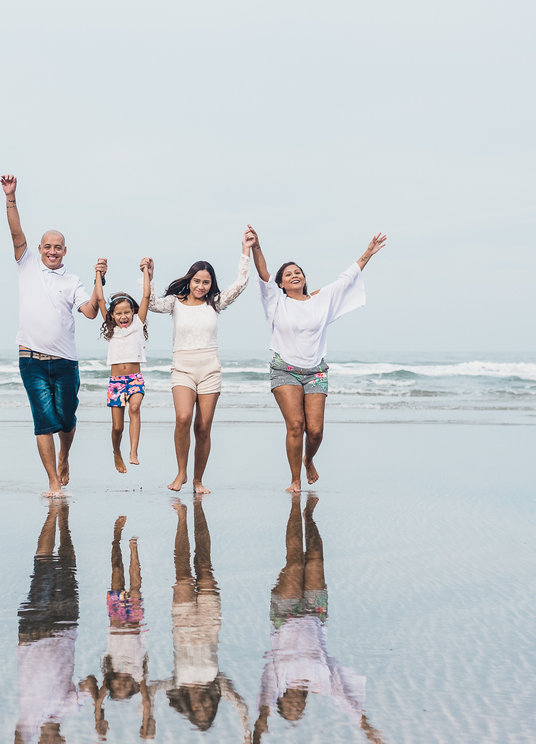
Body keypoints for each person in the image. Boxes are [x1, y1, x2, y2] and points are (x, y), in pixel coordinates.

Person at [250, 227, 387, 492]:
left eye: (297, 271)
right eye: (288, 274)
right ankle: (295, 480)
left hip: (316, 372)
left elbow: (346, 279)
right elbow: (263, 272)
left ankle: (308, 459)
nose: (294, 275)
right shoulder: (275, 301)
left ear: (304, 277)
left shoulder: (321, 300)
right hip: (284, 370)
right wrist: (257, 246)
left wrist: (368, 253)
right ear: (280, 283)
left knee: (315, 431)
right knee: (295, 426)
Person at [253, 494, 385, 744]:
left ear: (282, 700)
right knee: (314, 559)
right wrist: (367, 730)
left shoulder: (277, 679)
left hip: (285, 615)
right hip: (316, 613)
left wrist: (259, 729)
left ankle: (294, 506)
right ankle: (309, 517)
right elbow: (345, 700)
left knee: (294, 564)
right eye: (299, 710)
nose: (296, 705)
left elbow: (263, 702)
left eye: (290, 707)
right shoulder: (321, 683)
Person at [2, 174, 102, 497]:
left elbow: (90, 312)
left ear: (65, 251)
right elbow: (17, 232)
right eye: (48, 246)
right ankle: (53, 483)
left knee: (67, 420)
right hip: (30, 358)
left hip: (65, 362)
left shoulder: (73, 281)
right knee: (44, 420)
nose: (52, 251)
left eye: (58, 247)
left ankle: (64, 455)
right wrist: (11, 197)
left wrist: (100, 279)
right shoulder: (27, 264)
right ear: (40, 249)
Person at [145, 228, 256, 493]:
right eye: (196, 281)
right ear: (190, 280)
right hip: (182, 367)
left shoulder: (215, 302)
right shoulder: (175, 302)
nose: (200, 286)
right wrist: (149, 276)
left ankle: (198, 480)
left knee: (203, 427)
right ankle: (181, 473)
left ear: (211, 284)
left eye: (205, 282)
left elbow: (240, 284)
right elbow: (150, 304)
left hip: (209, 369)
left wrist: (246, 250)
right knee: (183, 418)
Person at [145, 500, 251, 740]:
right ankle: (200, 512)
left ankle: (182, 518)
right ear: (214, 707)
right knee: (205, 565)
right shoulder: (218, 684)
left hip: (183, 625)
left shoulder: (176, 684)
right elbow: (241, 705)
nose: (203, 706)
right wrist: (246, 733)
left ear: (189, 708)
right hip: (210, 621)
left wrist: (149, 719)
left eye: (198, 711)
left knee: (182, 571)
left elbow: (149, 691)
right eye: (208, 710)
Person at [15, 501, 87, 744]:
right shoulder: (71, 709)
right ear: (64, 742)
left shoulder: (28, 725)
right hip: (66, 628)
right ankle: (63, 518)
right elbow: (91, 681)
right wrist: (96, 706)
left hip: (34, 633)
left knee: (43, 566)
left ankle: (53, 511)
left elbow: (18, 739)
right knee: (67, 567)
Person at [80, 516, 157, 740]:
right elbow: (145, 699)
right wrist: (146, 722)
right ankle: (134, 549)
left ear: (111, 683)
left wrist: (98, 718)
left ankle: (116, 540)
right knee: (135, 586)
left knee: (115, 573)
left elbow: (100, 697)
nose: (122, 681)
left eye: (117, 685)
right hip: (133, 622)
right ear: (132, 684)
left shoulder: (109, 673)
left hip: (115, 621)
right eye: (126, 685)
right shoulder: (137, 673)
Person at [91, 261, 151, 473]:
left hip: (135, 378)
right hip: (116, 382)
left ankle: (133, 451)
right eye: (118, 313)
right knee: (117, 427)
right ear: (112, 315)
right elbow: (99, 298)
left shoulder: (137, 323)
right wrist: (98, 273)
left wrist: (144, 270)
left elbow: (146, 295)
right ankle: (116, 451)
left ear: (133, 312)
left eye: (127, 312)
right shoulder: (112, 327)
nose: (123, 316)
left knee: (134, 408)